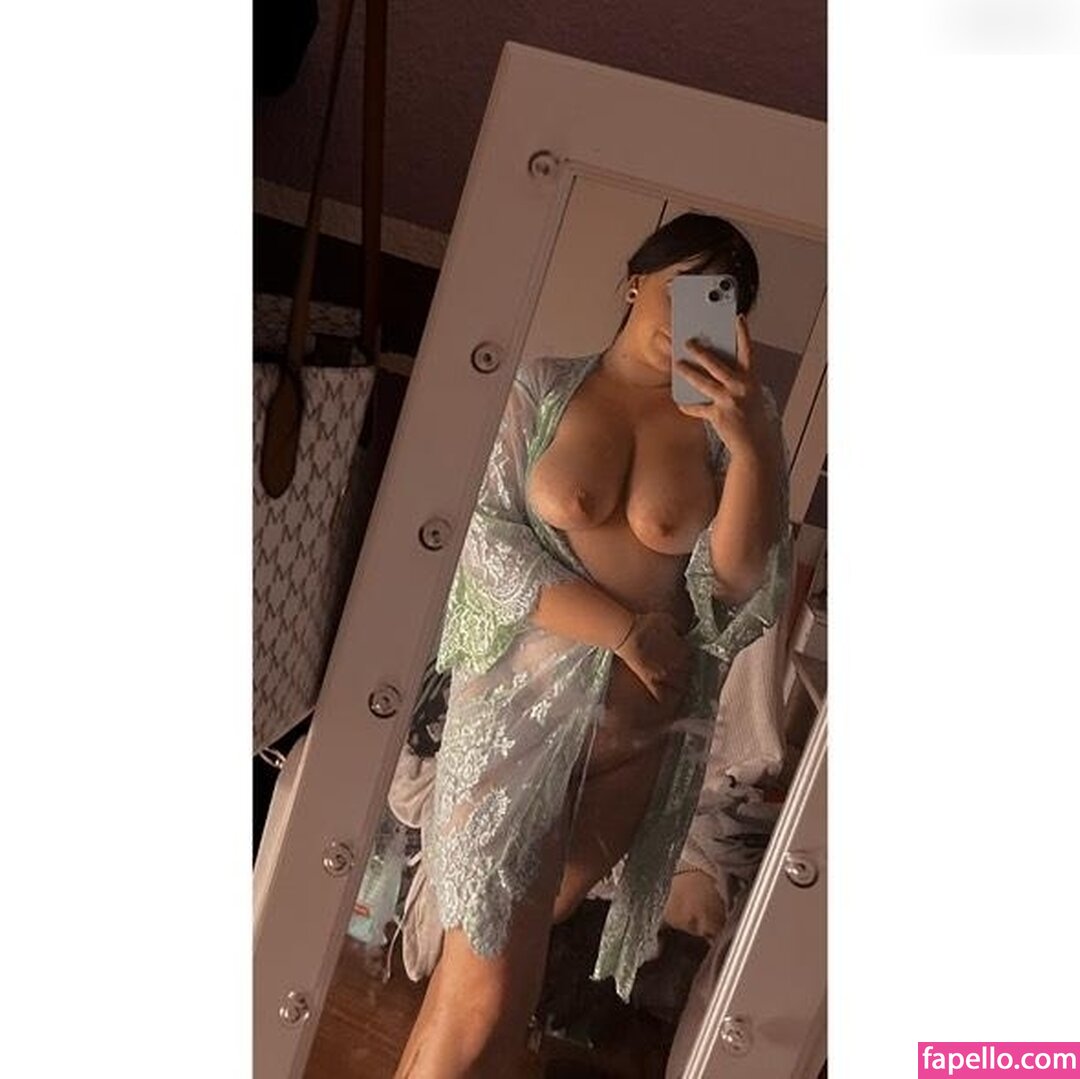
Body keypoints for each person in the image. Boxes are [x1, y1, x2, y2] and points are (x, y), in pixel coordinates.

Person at [393, 212, 792, 1077]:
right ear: (635, 281)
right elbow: (484, 538)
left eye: (719, 299)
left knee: (478, 991)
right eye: (683, 286)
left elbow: (735, 594)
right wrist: (624, 631)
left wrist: (755, 447)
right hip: (511, 728)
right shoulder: (544, 388)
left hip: (634, 747)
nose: (694, 312)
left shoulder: (731, 429)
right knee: (487, 999)